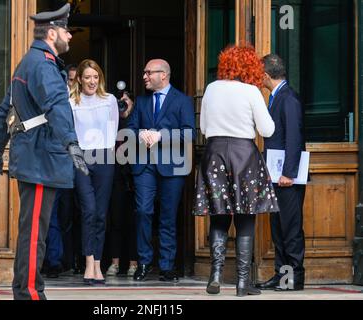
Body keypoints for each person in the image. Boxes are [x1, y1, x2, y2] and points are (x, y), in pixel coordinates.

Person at [0, 4, 88, 300]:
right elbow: (56, 104)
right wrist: (71, 143)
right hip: (42, 157)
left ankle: (27, 290)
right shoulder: (42, 64)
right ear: (52, 33)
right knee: (34, 235)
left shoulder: (27, 62)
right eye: (66, 30)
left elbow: (4, 111)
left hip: (33, 156)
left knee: (33, 231)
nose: (69, 35)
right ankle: (29, 294)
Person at [193, 45, 279, 297]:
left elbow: (204, 127)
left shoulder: (211, 88)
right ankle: (242, 283)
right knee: (245, 217)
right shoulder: (251, 91)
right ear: (251, 67)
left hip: (215, 152)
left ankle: (215, 275)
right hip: (244, 155)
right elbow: (267, 130)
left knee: (219, 216)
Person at [128, 59, 196, 282]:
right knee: (143, 212)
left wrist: (161, 136)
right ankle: (144, 262)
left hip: (172, 168)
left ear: (163, 75)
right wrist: (141, 134)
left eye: (149, 73)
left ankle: (167, 266)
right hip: (144, 166)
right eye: (144, 72)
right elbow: (130, 128)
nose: (144, 77)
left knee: (168, 217)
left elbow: (190, 134)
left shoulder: (183, 101)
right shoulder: (141, 100)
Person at [256, 54, 306, 291]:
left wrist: (289, 173)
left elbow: (294, 137)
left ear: (266, 75)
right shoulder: (277, 97)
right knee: (278, 228)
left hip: (287, 177)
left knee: (290, 227)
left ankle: (294, 277)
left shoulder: (288, 98)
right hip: (276, 175)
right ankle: (282, 275)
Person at [70, 59, 119, 285]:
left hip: (104, 157)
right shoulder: (71, 102)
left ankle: (98, 264)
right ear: (79, 79)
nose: (92, 81)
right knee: (88, 210)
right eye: (87, 77)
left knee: (100, 213)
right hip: (80, 158)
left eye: (96, 77)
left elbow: (113, 130)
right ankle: (89, 263)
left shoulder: (109, 100)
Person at [106, 93, 138, 277]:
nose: (122, 105)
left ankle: (134, 263)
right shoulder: (112, 122)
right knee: (115, 220)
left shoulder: (136, 120)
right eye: (120, 102)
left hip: (134, 176)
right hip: (116, 176)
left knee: (134, 221)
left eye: (126, 101)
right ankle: (115, 263)